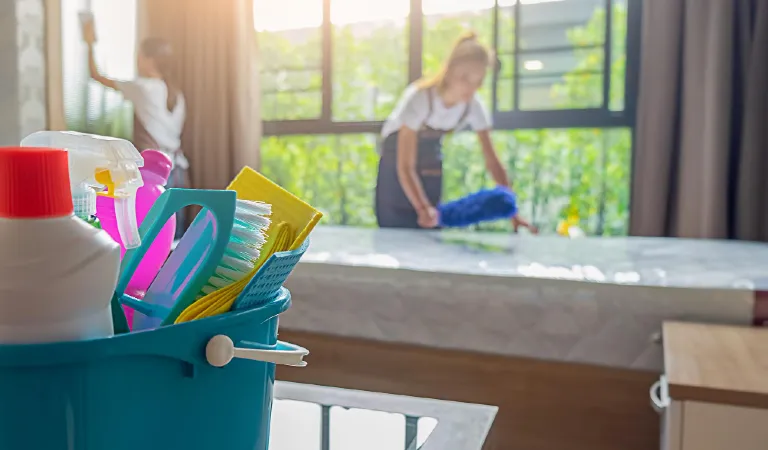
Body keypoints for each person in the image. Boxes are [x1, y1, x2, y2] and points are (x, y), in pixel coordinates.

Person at [375, 31, 537, 233]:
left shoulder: (474, 106)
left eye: (478, 81)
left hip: (430, 157)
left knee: (432, 225)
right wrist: (422, 208)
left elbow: (493, 162)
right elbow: (405, 165)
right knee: (395, 229)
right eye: (465, 78)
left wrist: (513, 213)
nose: (471, 87)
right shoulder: (420, 97)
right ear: (449, 70)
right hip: (396, 158)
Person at [82, 19, 189, 235]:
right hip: (178, 170)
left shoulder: (144, 88)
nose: (137, 60)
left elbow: (96, 76)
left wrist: (90, 43)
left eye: (140, 56)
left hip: (155, 173)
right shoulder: (177, 94)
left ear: (150, 60)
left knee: (150, 234)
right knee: (173, 236)